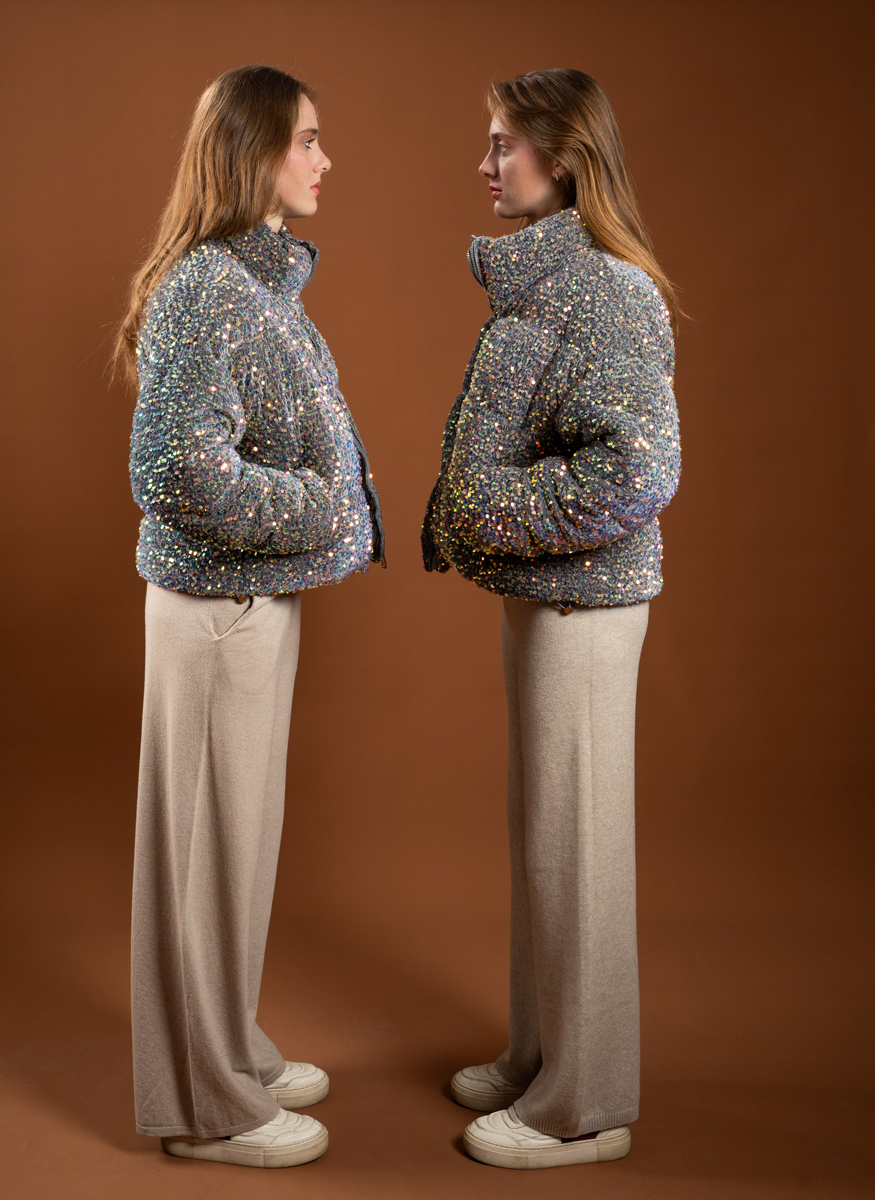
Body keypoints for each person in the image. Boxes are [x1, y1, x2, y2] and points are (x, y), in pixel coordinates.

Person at [116, 64, 384, 1170]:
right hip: (216, 606)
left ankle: (228, 1049)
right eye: (307, 139)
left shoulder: (256, 284)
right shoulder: (207, 289)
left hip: (254, 600)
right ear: (254, 149)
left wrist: (320, 515)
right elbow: (175, 471)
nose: (325, 159)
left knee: (238, 853)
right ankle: (205, 1106)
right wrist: (329, 506)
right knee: (204, 861)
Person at [422, 67, 680, 1170]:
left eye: (502, 144)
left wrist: (491, 512)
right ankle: (541, 1054)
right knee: (546, 838)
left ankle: (585, 1104)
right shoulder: (542, 280)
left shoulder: (605, 291)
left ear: (564, 158)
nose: (485, 165)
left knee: (578, 845)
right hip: (545, 593)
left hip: (585, 599)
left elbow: (640, 468)